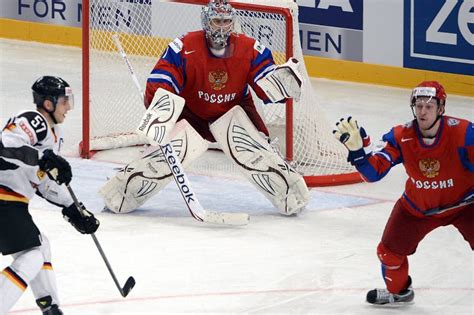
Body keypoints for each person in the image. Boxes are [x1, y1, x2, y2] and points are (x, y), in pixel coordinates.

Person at [100, 0, 309, 216]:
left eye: (226, 21)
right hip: (190, 115)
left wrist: (280, 84)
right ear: (206, 21)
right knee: (169, 154)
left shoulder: (248, 48)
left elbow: (265, 82)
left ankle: (290, 195)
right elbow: (165, 75)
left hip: (233, 111)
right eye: (216, 21)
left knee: (254, 152)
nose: (221, 27)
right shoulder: (185, 45)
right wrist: (162, 104)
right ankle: (121, 193)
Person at [333, 81, 473, 305]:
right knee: (388, 254)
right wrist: (358, 153)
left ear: (441, 108)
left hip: (466, 206)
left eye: (429, 105)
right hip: (417, 209)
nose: (422, 111)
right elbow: (373, 174)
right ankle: (399, 292)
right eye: (418, 105)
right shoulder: (401, 136)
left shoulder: (464, 133)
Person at [0, 76, 100, 314]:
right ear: (48, 104)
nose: (69, 107)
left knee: (41, 247)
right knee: (32, 257)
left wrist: (72, 207)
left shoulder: (53, 136)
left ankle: (51, 308)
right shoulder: (36, 120)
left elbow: (42, 181)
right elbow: (5, 144)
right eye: (65, 102)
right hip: (4, 199)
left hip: (11, 203)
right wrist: (42, 159)